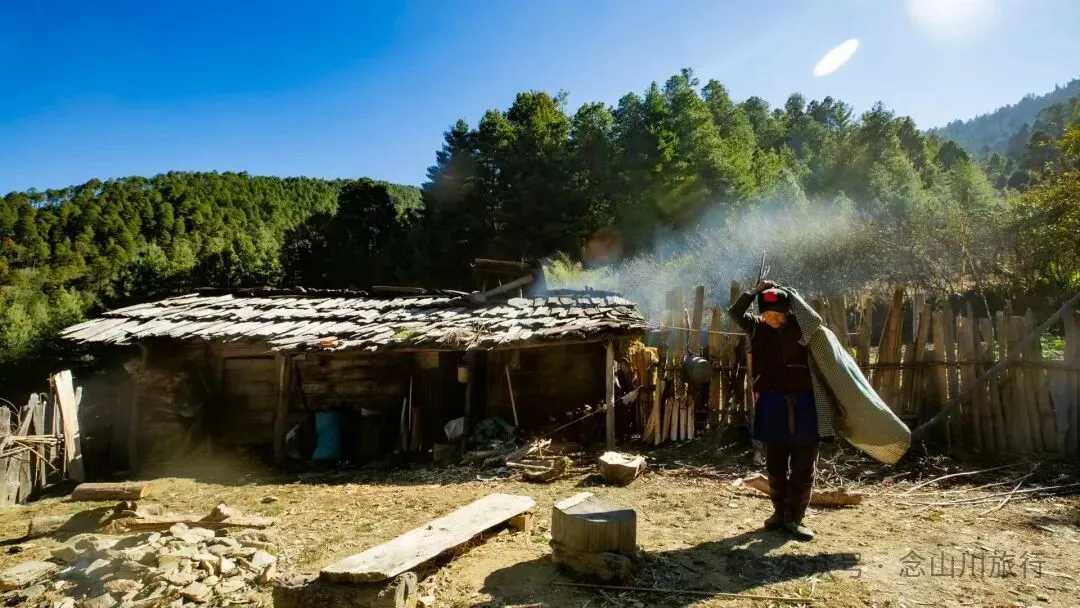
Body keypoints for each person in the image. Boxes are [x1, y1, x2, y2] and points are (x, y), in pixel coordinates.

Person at [728, 279, 819, 541]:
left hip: (804, 404)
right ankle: (779, 513)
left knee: (803, 465)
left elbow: (815, 320)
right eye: (766, 314)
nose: (771, 319)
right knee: (775, 463)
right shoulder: (757, 328)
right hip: (771, 404)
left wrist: (791, 293)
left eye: (777, 314)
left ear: (787, 311)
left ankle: (796, 519)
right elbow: (734, 312)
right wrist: (755, 291)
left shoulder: (801, 327)